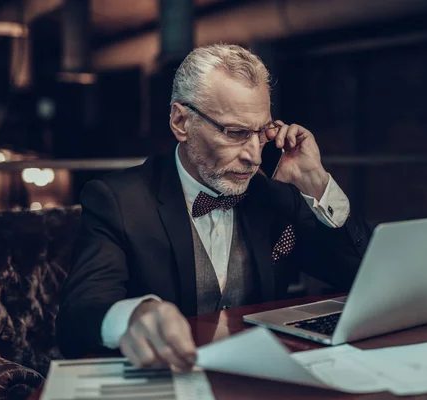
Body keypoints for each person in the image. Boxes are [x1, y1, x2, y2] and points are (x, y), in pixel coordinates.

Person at [56, 44, 372, 371]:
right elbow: (78, 316)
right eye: (235, 133)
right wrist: (134, 315)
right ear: (181, 121)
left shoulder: (276, 195)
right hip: (166, 380)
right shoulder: (118, 200)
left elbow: (362, 278)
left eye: (262, 133)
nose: (254, 156)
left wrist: (316, 182)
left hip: (257, 378)